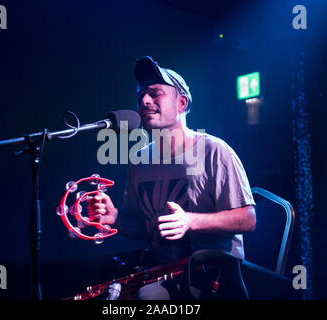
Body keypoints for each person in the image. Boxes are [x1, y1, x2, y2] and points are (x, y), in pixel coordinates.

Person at [87, 56, 256, 299]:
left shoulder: (215, 151)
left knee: (147, 298)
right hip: (162, 272)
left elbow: (248, 219)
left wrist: (190, 221)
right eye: (140, 97)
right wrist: (114, 218)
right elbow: (142, 228)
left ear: (181, 103)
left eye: (155, 94)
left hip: (214, 275)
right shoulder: (139, 160)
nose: (144, 101)